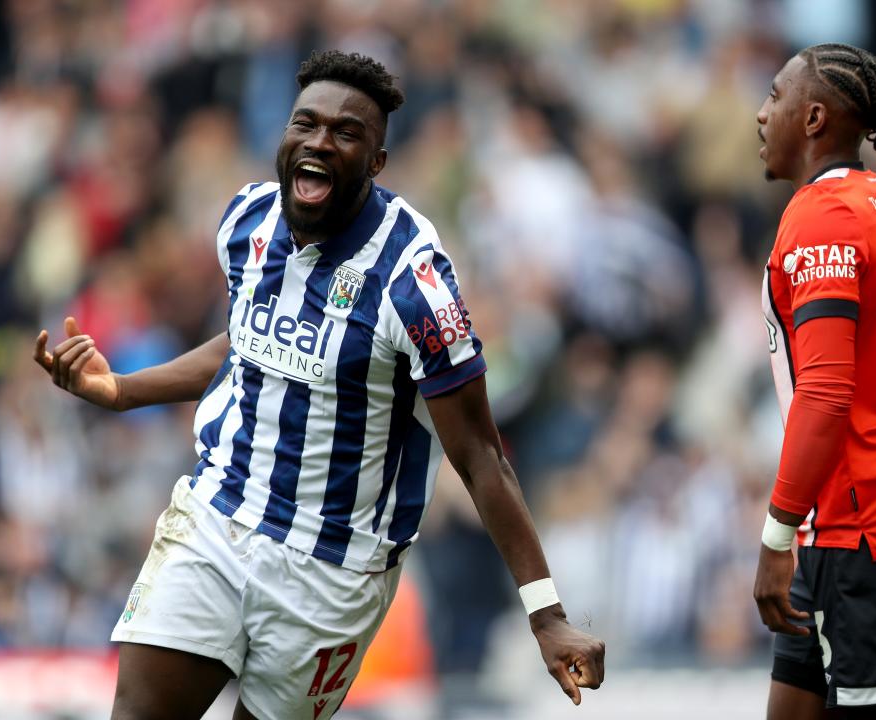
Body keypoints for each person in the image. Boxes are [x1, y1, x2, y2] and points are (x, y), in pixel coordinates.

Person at [33, 51, 605, 720]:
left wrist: (546, 614)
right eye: (305, 124)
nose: (319, 142)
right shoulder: (247, 221)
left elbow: (481, 456)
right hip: (217, 521)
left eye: (345, 132)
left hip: (332, 574)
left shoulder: (412, 282)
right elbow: (248, 346)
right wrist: (122, 389)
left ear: (376, 162)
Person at [753, 43, 876, 720]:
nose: (760, 113)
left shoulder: (822, 219)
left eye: (775, 97)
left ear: (813, 118)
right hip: (852, 519)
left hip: (870, 531)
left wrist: (775, 537)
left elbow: (827, 392)